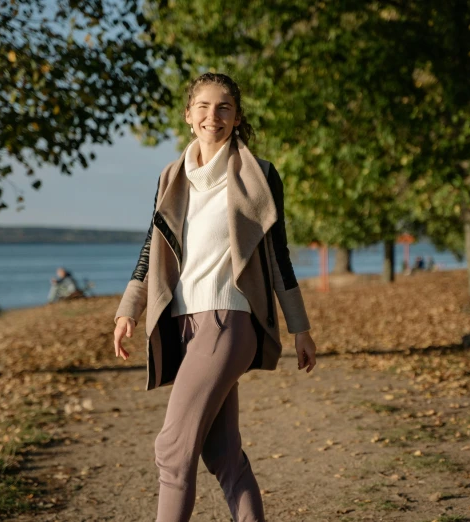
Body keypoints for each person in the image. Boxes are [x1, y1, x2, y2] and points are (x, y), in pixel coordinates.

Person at [113, 73, 317, 522]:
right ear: (188, 116)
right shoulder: (171, 176)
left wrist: (300, 327)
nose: (213, 116)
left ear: (237, 117)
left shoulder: (258, 176)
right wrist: (130, 307)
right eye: (203, 107)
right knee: (223, 454)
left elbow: (277, 254)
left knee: (171, 449)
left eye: (224, 107)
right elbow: (152, 245)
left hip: (229, 320)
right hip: (182, 323)